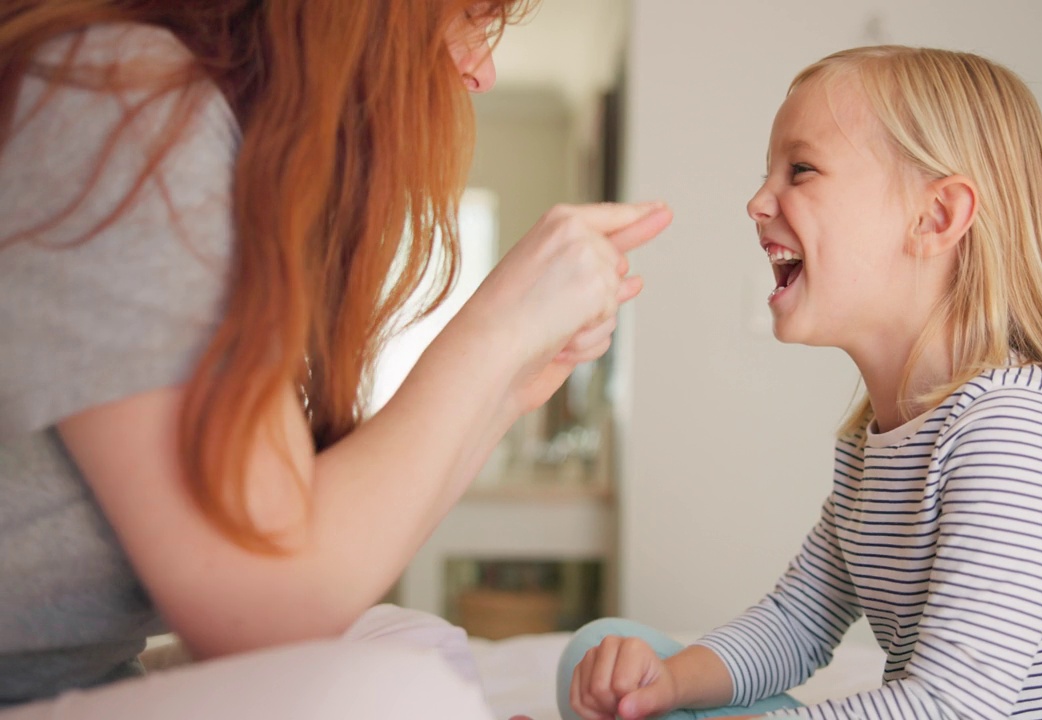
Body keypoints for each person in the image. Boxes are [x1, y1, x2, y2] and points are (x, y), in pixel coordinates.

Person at [0, 0, 672, 717]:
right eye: (470, 17)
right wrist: (495, 333)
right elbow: (266, 603)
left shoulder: (209, 150)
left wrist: (506, 390)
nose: (483, 68)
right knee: (398, 687)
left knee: (406, 648)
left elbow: (304, 564)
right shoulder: (120, 95)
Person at [560, 45, 1042, 720]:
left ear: (935, 219)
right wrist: (667, 685)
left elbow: (949, 707)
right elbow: (797, 622)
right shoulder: (874, 447)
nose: (758, 201)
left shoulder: (1013, 434)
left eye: (800, 170)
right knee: (599, 664)